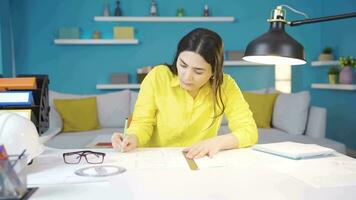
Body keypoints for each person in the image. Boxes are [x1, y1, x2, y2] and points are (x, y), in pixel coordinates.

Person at [111, 28, 258, 159]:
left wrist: (217, 142)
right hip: (157, 159)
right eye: (182, 65)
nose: (187, 76)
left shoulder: (225, 85)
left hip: (198, 160)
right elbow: (142, 123)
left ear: (214, 71)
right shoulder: (158, 76)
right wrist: (132, 137)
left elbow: (249, 130)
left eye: (198, 71)